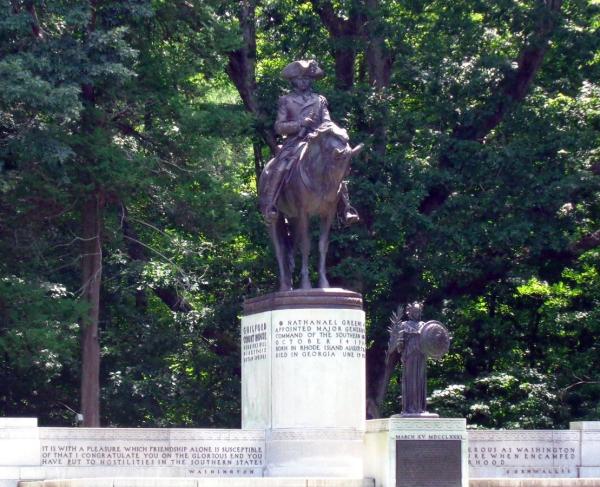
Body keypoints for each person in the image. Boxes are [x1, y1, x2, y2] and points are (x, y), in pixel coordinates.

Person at [259, 60, 359, 225]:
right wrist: (299, 124)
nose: (303, 82)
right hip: (294, 141)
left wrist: (333, 132)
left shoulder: (319, 100)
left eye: (307, 79)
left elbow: (327, 122)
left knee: (337, 162)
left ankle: (346, 208)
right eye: (300, 79)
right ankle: (270, 205)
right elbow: (279, 126)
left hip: (318, 141)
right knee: (281, 165)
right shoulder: (286, 100)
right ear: (293, 81)